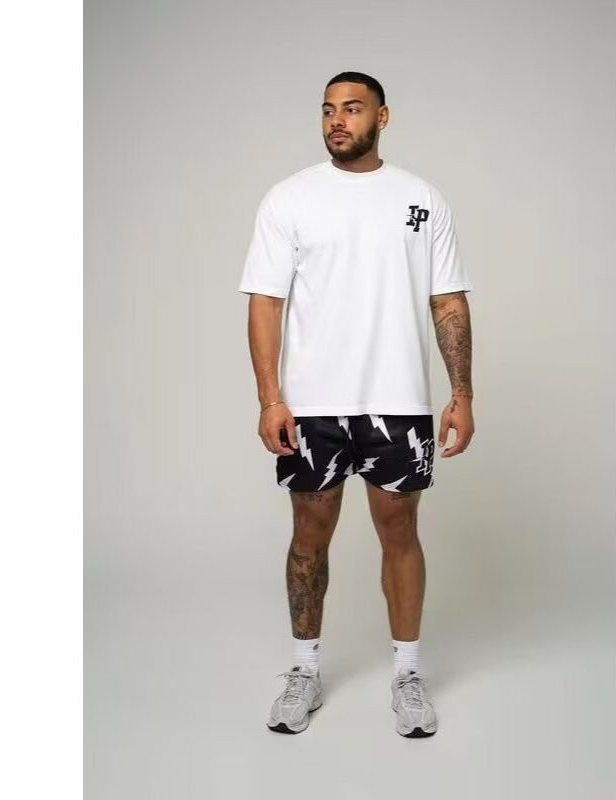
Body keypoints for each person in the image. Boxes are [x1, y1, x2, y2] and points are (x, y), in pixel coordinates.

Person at [238, 71, 474, 737]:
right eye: (327, 110)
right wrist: (270, 399)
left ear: (382, 117)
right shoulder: (290, 199)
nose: (337, 121)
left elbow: (448, 301)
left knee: (400, 532)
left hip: (398, 402)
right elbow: (265, 303)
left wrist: (461, 393)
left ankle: (408, 675)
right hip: (313, 406)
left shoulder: (421, 200)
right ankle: (304, 671)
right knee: (309, 536)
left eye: (351, 109)